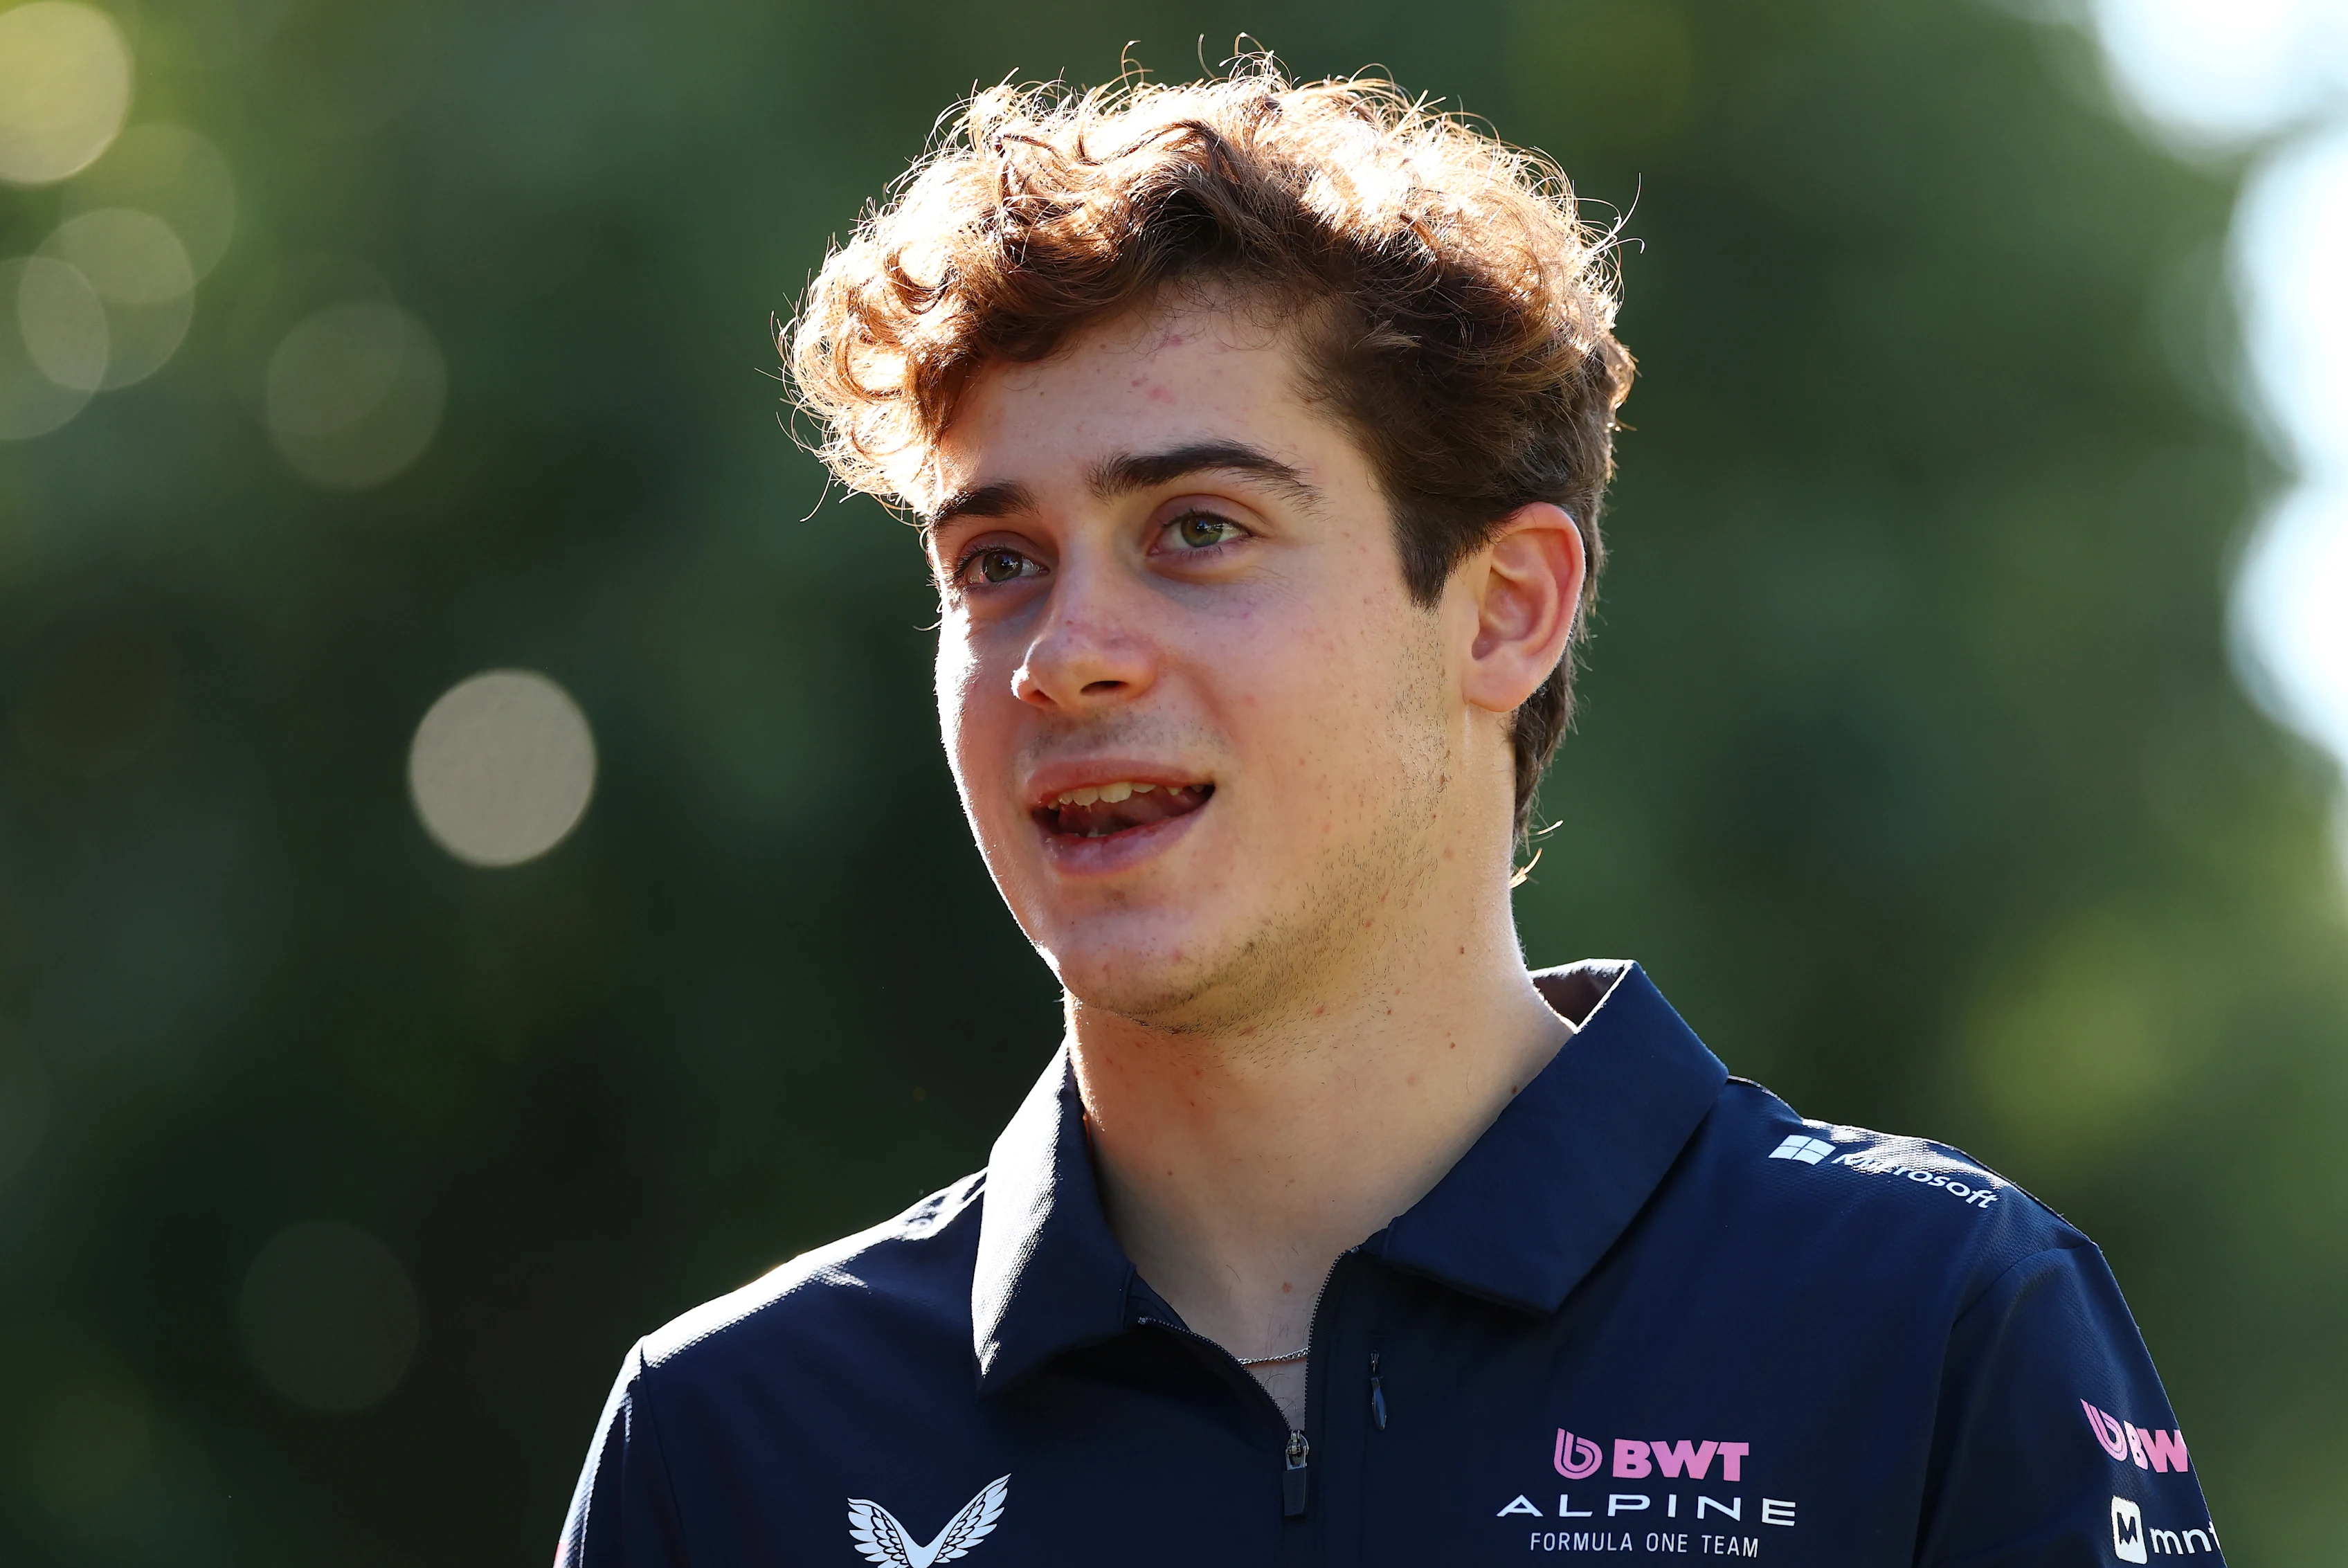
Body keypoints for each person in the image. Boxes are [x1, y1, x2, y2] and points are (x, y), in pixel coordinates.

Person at [559, 60, 2223, 1567]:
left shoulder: (1931, 1327)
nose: (1061, 658)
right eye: (995, 563)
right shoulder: (727, 1448)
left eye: (1197, 529)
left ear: (1505, 609)